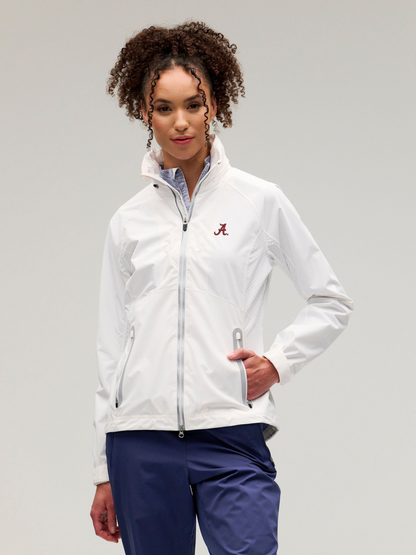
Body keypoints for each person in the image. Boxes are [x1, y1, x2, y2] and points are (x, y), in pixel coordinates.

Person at [90, 20, 354, 555]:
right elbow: (111, 346)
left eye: (194, 104)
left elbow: (331, 301)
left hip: (231, 432)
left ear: (214, 106)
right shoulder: (128, 221)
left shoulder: (259, 200)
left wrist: (277, 362)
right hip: (140, 441)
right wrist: (102, 468)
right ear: (145, 112)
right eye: (164, 107)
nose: (180, 122)